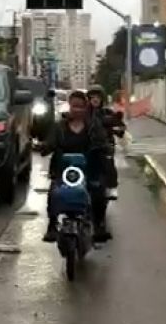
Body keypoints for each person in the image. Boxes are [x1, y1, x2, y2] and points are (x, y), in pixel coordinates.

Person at [37, 90, 112, 243]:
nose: (77, 110)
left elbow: (103, 141)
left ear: (86, 108)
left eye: (80, 106)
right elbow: (50, 142)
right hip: (64, 171)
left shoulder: (93, 126)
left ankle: (99, 225)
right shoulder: (59, 127)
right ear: (69, 107)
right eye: (74, 106)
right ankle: (52, 225)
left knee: (98, 192)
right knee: (53, 194)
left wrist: (104, 147)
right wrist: (44, 146)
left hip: (89, 169)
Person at [86, 85, 126, 200]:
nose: (95, 99)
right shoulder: (84, 113)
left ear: (102, 98)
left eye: (98, 96)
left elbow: (121, 127)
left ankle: (112, 187)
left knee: (108, 161)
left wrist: (116, 128)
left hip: (105, 146)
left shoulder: (108, 113)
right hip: (87, 144)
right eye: (92, 96)